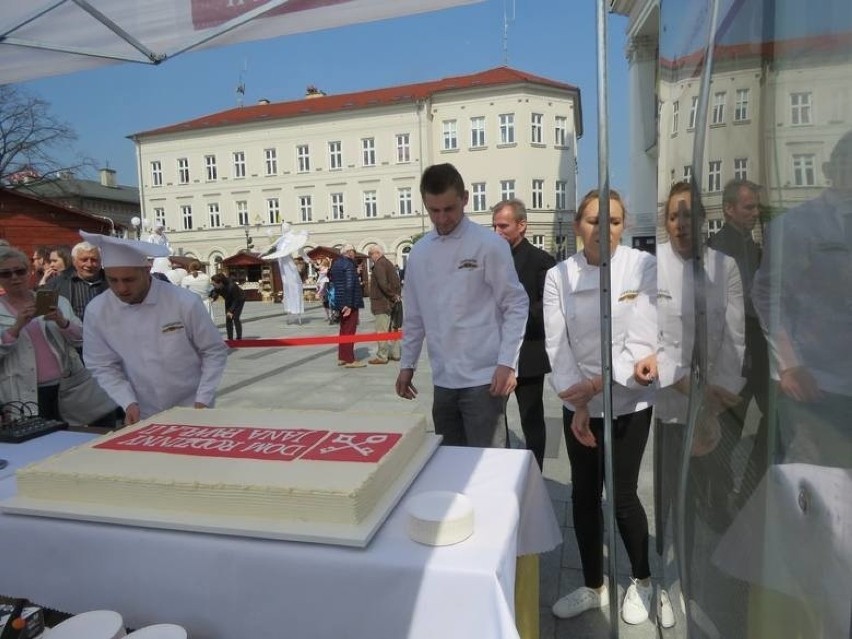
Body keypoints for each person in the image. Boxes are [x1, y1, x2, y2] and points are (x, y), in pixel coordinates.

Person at [544, 189, 659, 624]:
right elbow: (559, 343)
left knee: (624, 495)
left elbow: (642, 341)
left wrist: (596, 386)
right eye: (593, 221)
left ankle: (644, 581)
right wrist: (579, 402)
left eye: (612, 222)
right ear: (578, 226)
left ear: (622, 226)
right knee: (584, 497)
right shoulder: (559, 276)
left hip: (629, 399)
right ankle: (594, 584)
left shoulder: (642, 267)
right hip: (579, 406)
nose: (603, 230)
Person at [639, 182, 744, 631]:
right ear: (666, 223)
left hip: (713, 414)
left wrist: (716, 403)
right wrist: (692, 395)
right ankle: (664, 580)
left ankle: (698, 580)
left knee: (705, 497)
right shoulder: (651, 268)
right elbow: (649, 342)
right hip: (669, 405)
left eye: (691, 215)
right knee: (666, 498)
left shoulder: (726, 267)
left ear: (704, 220)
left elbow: (734, 339)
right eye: (675, 216)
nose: (683, 224)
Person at [395, 163, 528, 448]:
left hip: (484, 378)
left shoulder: (489, 245)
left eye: (449, 209)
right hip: (443, 380)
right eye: (434, 210)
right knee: (449, 462)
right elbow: (415, 315)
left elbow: (515, 303)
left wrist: (507, 363)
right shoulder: (419, 253)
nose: (442, 218)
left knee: (489, 465)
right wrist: (407, 364)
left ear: (465, 198)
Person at [81, 232, 228, 425]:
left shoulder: (184, 302)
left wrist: (203, 398)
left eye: (129, 280)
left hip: (192, 406)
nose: (121, 288)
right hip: (142, 412)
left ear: (146, 270)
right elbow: (102, 365)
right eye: (113, 280)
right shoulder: (97, 311)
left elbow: (213, 351)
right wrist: (127, 402)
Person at [707, 179, 770, 505]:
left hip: (758, 348)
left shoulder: (753, 244)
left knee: (774, 421)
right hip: (736, 351)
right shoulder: (719, 248)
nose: (755, 213)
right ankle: (718, 498)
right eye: (749, 207)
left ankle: (748, 493)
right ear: (729, 209)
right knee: (729, 433)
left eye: (757, 206)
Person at [0, 245, 113, 425]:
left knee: (75, 439)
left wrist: (62, 321)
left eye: (19, 271)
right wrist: (16, 327)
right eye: (5, 274)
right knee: (39, 446)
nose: (14, 277)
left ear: (29, 272)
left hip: (67, 387)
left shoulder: (55, 300)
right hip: (23, 391)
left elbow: (81, 338)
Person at [492, 198, 556, 469]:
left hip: (529, 355)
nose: (497, 232)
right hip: (497, 355)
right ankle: (502, 469)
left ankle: (534, 473)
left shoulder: (542, 261)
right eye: (494, 226)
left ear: (522, 225)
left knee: (532, 418)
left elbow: (549, 308)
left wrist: (517, 313)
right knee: (496, 418)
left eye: (503, 226)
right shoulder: (492, 259)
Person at [44, 241, 109, 322]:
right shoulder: (55, 284)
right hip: (68, 332)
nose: (89, 264)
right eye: (84, 260)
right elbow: (44, 316)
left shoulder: (113, 283)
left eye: (94, 260)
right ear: (74, 261)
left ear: (100, 261)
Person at [329, 244, 365, 368]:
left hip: (339, 301)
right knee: (350, 330)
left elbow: (336, 282)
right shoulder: (349, 264)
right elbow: (349, 286)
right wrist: (349, 305)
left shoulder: (336, 263)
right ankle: (349, 359)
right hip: (350, 302)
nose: (354, 254)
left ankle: (342, 356)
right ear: (349, 252)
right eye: (353, 251)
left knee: (343, 330)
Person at [367, 245, 402, 365]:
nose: (370, 257)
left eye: (370, 254)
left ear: (376, 253)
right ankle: (396, 354)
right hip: (391, 303)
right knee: (393, 329)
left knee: (381, 330)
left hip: (382, 303)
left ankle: (382, 356)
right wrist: (396, 296)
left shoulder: (379, 265)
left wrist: (392, 296)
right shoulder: (388, 263)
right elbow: (396, 282)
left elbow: (383, 283)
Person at [210, 272, 246, 340]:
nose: (213, 286)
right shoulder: (218, 286)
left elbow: (236, 300)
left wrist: (230, 311)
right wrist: (213, 298)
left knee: (235, 317)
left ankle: (239, 338)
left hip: (239, 299)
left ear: (220, 283)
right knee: (228, 319)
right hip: (229, 300)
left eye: (214, 284)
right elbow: (215, 292)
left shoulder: (232, 286)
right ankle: (230, 338)